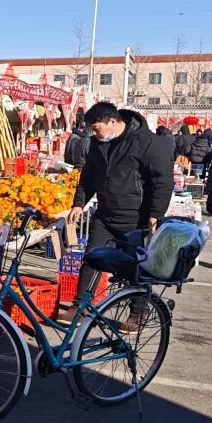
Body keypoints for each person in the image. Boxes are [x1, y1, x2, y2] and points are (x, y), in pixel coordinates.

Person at [67, 103, 172, 306]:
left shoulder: (147, 142)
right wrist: (79, 203)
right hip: (105, 214)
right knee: (92, 259)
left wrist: (155, 214)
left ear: (113, 122)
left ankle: (138, 312)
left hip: (135, 217)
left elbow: (163, 181)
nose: (94, 133)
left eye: (97, 128)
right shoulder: (98, 144)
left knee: (136, 266)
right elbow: (88, 176)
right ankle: (81, 306)